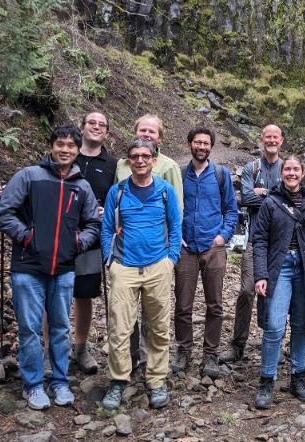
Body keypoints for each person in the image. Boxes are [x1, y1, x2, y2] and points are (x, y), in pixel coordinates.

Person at [0, 124, 101, 410]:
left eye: (71, 146)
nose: (65, 150)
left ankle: (61, 381)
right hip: (28, 267)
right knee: (29, 329)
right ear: (52, 146)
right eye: (60, 144)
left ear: (78, 151)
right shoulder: (29, 176)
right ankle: (33, 385)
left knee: (61, 327)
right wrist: (27, 236)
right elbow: (3, 211)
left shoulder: (82, 186)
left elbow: (93, 223)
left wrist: (78, 242)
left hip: (64, 268)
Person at [100, 138, 181, 410]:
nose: (140, 160)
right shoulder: (118, 191)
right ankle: (118, 381)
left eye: (145, 156)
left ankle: (156, 380)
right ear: (129, 160)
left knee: (158, 327)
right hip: (124, 266)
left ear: (154, 159)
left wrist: (171, 260)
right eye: (134, 156)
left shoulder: (166, 191)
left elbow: (175, 225)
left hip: (158, 266)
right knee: (120, 328)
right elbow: (107, 227)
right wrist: (109, 260)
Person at [252, 155, 305, 409]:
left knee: (301, 324)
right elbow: (260, 240)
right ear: (282, 173)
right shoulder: (271, 202)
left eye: (295, 169)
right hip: (280, 267)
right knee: (275, 325)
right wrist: (261, 274)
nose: (291, 173)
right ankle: (267, 379)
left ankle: (298, 376)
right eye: (287, 169)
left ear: (302, 173)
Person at [115, 114, 183, 373]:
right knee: (123, 316)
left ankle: (149, 365)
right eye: (142, 129)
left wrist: (172, 255)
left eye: (152, 131)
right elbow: (116, 206)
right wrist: (113, 257)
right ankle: (127, 363)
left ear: (160, 138)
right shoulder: (122, 165)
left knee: (155, 316)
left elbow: (177, 211)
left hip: (158, 252)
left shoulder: (168, 167)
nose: (146, 134)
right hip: (126, 253)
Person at [173, 127, 238, 378]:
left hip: (213, 247)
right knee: (183, 304)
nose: (201, 146)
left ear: (211, 146)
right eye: (197, 142)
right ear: (190, 144)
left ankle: (210, 354)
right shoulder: (178, 174)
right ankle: (184, 351)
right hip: (186, 247)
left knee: (215, 304)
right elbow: (171, 208)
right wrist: (176, 236)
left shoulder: (221, 175)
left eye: (206, 143)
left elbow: (232, 210)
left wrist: (222, 236)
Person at [219, 125, 284, 364]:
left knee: (275, 296)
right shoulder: (250, 168)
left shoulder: (287, 167)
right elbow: (245, 198)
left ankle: (272, 346)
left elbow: (291, 199)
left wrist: (263, 194)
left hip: (281, 245)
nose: (271, 140)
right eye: (268, 136)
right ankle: (237, 345)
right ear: (262, 140)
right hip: (254, 241)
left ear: (281, 141)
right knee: (246, 291)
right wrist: (274, 195)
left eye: (275, 137)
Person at [71, 112, 117, 375]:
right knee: (51, 293)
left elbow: (117, 199)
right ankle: (48, 349)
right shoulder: (65, 154)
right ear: (82, 128)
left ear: (107, 133)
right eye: (92, 123)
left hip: (92, 237)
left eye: (102, 124)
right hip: (58, 234)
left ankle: (80, 347)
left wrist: (107, 214)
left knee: (84, 293)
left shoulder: (111, 164)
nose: (96, 127)